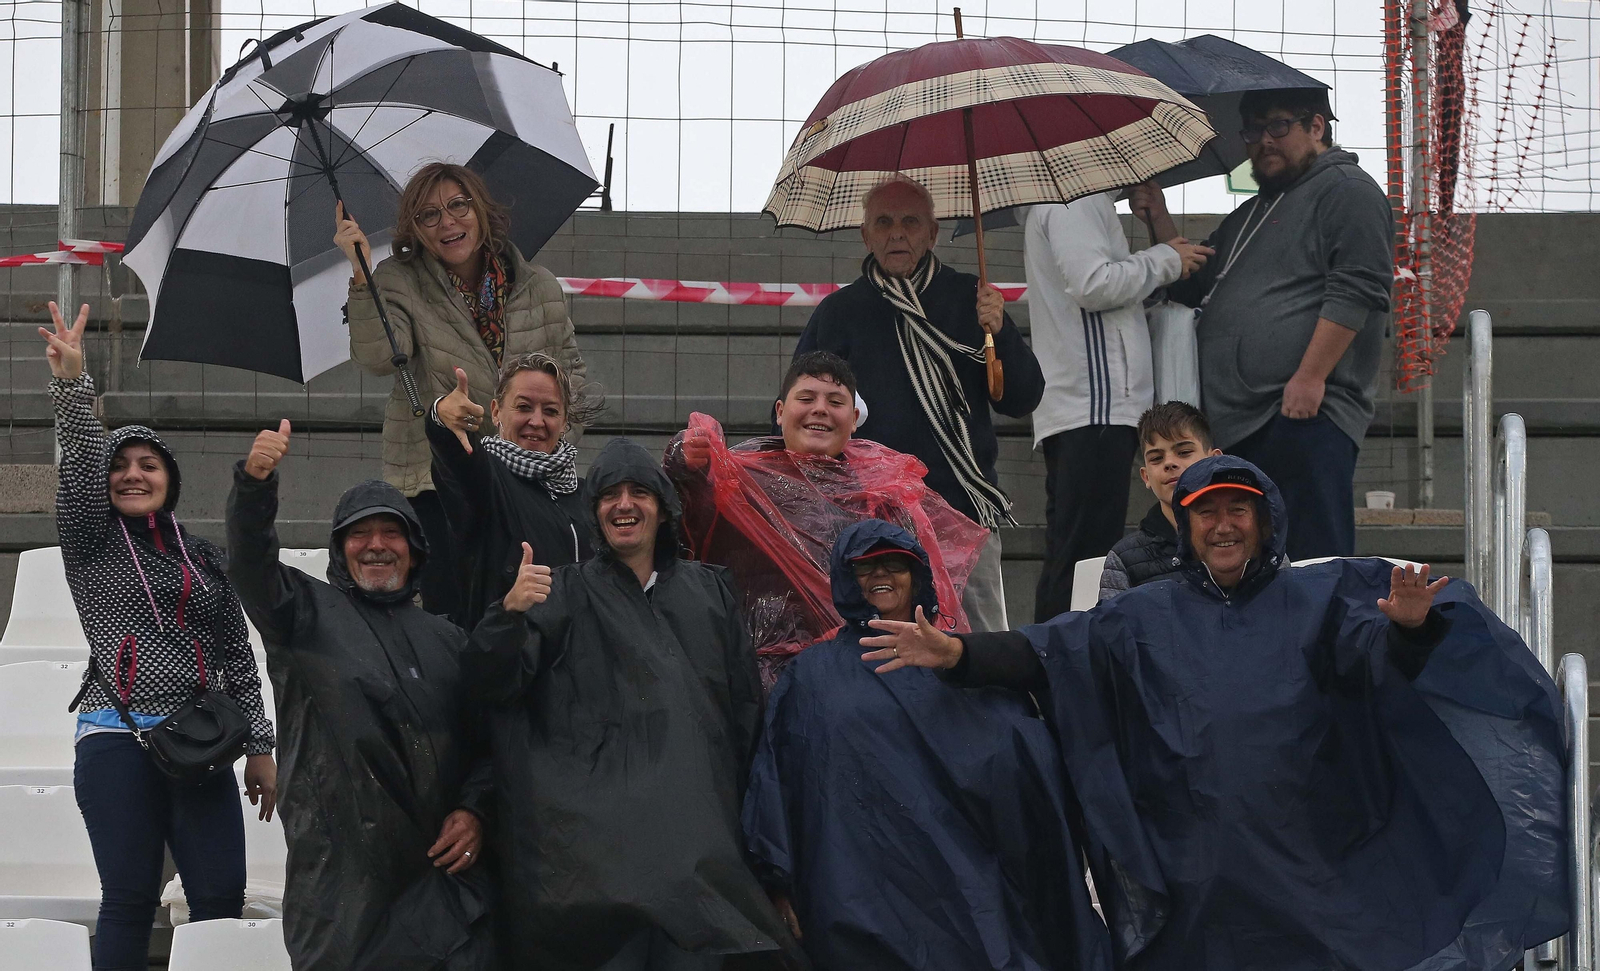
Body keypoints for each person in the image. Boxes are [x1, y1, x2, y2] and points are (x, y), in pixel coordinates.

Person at [860, 455, 1568, 970]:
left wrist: (1410, 628)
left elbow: (1375, 664)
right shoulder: (1140, 614)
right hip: (1195, 879)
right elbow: (1047, 653)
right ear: (1185, 523)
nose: (1223, 525)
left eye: (1237, 510)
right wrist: (956, 652)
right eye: (1207, 511)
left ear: (1264, 521)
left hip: (1313, 873)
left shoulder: (1319, 598)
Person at [226, 419, 552, 971]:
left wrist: (475, 812)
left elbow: (488, 738)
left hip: (440, 885)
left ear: (414, 549)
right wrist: (255, 484)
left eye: (392, 532)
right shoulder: (300, 613)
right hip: (341, 892)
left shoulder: (449, 638)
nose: (377, 545)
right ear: (339, 548)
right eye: (360, 533)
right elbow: (250, 564)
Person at [460, 438, 792, 970]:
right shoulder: (558, 593)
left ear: (663, 508)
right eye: (609, 494)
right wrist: (509, 614)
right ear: (594, 512)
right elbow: (491, 686)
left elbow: (743, 713)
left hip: (699, 852)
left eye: (640, 491)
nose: (625, 504)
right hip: (597, 872)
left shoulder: (710, 593)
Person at [743, 519, 1112, 971]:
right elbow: (781, 777)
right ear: (844, 578)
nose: (881, 576)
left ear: (917, 574)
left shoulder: (963, 660)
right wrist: (776, 881)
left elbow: (1019, 760)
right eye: (865, 568)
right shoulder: (811, 677)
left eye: (894, 565)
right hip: (858, 886)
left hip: (964, 882)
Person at [41, 301, 276, 971]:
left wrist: (258, 746)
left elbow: (237, 653)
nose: (133, 473)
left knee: (219, 894)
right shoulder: (88, 541)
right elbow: (83, 463)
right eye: (122, 465)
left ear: (169, 479)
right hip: (116, 737)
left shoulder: (202, 556)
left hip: (199, 737)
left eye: (149, 463)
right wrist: (73, 386)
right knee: (130, 895)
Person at [1147, 89, 1394, 559]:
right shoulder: (1251, 212)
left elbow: (1358, 288)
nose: (1264, 141)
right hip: (1239, 425)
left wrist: (1310, 377)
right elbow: (1190, 284)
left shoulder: (1348, 190)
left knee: (1313, 560)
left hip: (1301, 415)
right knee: (1257, 568)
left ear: (1316, 127)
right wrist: (1157, 215)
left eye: (1278, 127)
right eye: (1253, 131)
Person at [336, 161, 589, 617]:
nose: (448, 222)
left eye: (458, 205)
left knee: (529, 613)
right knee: (456, 618)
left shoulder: (539, 286)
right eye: (430, 215)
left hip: (528, 484)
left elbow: (573, 383)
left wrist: (546, 454)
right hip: (436, 482)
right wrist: (361, 276)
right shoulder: (396, 280)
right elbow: (375, 358)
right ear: (415, 228)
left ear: (481, 210)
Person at [793, 175, 1044, 632]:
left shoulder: (972, 299)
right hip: (870, 518)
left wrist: (1000, 330)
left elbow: (1024, 397)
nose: (897, 233)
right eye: (883, 222)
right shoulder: (839, 313)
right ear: (865, 234)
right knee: (879, 645)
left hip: (965, 510)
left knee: (981, 650)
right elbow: (796, 410)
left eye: (910, 222)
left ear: (932, 232)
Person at [666, 351, 988, 685]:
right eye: (806, 398)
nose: (820, 408)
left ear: (853, 420)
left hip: (859, 678)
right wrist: (683, 465)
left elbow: (918, 592)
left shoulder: (884, 494)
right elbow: (686, 523)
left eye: (835, 401)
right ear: (779, 412)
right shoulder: (737, 481)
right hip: (755, 681)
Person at [1023, 188, 1213, 622]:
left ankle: (1054, 665)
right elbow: (1093, 284)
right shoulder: (1074, 200)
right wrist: (1164, 259)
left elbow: (1097, 289)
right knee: (1082, 555)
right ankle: (1060, 671)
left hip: (1092, 406)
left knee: (1075, 549)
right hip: (1095, 406)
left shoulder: (1078, 202)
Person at [429, 352, 602, 629]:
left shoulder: (585, 494)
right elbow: (457, 461)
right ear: (496, 411)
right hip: (508, 657)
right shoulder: (485, 479)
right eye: (523, 407)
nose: (536, 421)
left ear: (565, 421)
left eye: (550, 411)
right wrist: (441, 419)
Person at [1098, 401, 1222, 602]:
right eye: (1156, 458)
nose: (1170, 463)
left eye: (1183, 452)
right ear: (1146, 477)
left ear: (1216, 461)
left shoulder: (1251, 537)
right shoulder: (1124, 559)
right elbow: (1111, 630)